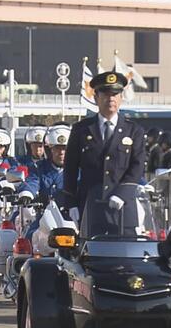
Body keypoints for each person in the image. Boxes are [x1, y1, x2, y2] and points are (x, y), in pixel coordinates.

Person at [61, 70, 146, 234]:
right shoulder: (81, 129)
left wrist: (122, 194)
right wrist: (71, 203)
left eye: (115, 94)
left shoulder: (134, 131)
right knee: (90, 256)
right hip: (90, 208)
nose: (111, 99)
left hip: (124, 208)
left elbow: (137, 166)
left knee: (126, 255)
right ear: (95, 97)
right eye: (105, 94)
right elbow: (70, 168)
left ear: (121, 97)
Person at [19, 124, 69, 238]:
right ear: (49, 150)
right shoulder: (39, 168)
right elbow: (32, 182)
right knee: (29, 238)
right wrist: (26, 194)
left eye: (65, 148)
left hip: (72, 217)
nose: (61, 152)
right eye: (57, 148)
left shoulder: (78, 170)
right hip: (45, 216)